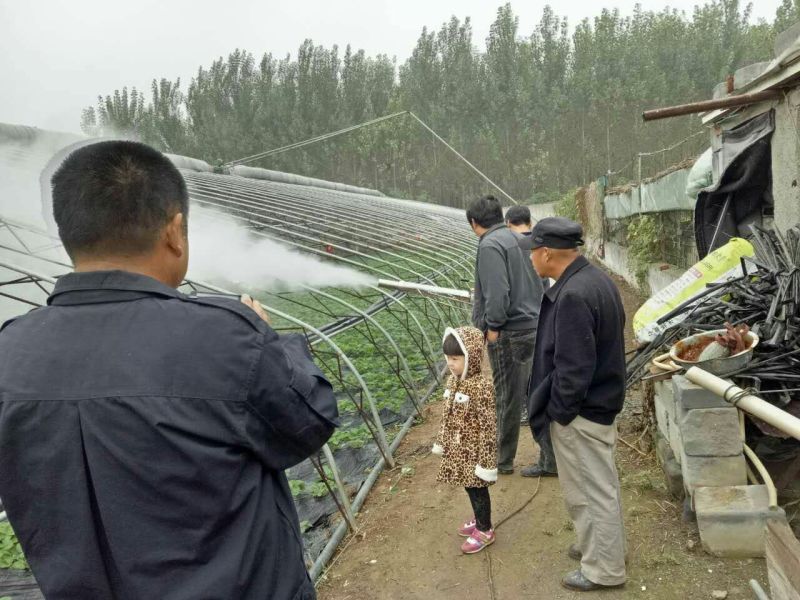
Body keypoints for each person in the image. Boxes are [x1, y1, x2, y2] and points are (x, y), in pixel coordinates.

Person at [0, 141, 338, 600]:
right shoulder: (225, 338)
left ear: (66, 232)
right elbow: (310, 421)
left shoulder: (8, 351)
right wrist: (273, 342)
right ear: (175, 231)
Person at [524, 217, 627, 592]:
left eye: (532, 252)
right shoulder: (595, 280)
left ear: (547, 252)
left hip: (583, 411)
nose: (531, 259)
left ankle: (603, 568)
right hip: (601, 402)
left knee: (588, 489)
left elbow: (574, 368)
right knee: (599, 484)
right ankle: (601, 547)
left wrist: (561, 413)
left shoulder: (572, 295)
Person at [467, 195, 542, 475]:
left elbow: (497, 293)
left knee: (507, 396)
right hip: (532, 326)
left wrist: (494, 329)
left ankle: (502, 460)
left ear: (474, 223)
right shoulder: (521, 240)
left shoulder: (490, 245)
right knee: (533, 392)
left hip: (509, 332)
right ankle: (549, 457)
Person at [432, 326, 497, 554]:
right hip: (459, 450)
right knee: (469, 488)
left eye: (456, 358)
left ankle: (485, 529)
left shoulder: (482, 387)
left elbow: (489, 428)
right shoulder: (453, 381)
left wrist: (487, 463)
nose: (450, 363)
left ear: (472, 357)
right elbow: (446, 417)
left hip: (476, 452)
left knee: (477, 487)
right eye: (448, 358)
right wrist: (443, 442)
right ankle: (479, 517)